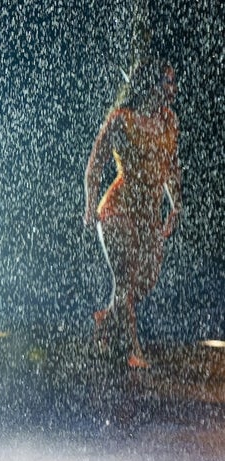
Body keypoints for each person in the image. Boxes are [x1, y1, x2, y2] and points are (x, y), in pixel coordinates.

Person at [84, 58, 182, 369]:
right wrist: (89, 207)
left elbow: (170, 167)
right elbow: (95, 164)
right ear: (153, 85)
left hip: (149, 213)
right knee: (125, 280)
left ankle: (106, 319)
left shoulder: (169, 121)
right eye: (168, 81)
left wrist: (176, 205)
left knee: (146, 280)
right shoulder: (121, 119)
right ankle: (133, 351)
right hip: (119, 208)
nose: (174, 88)